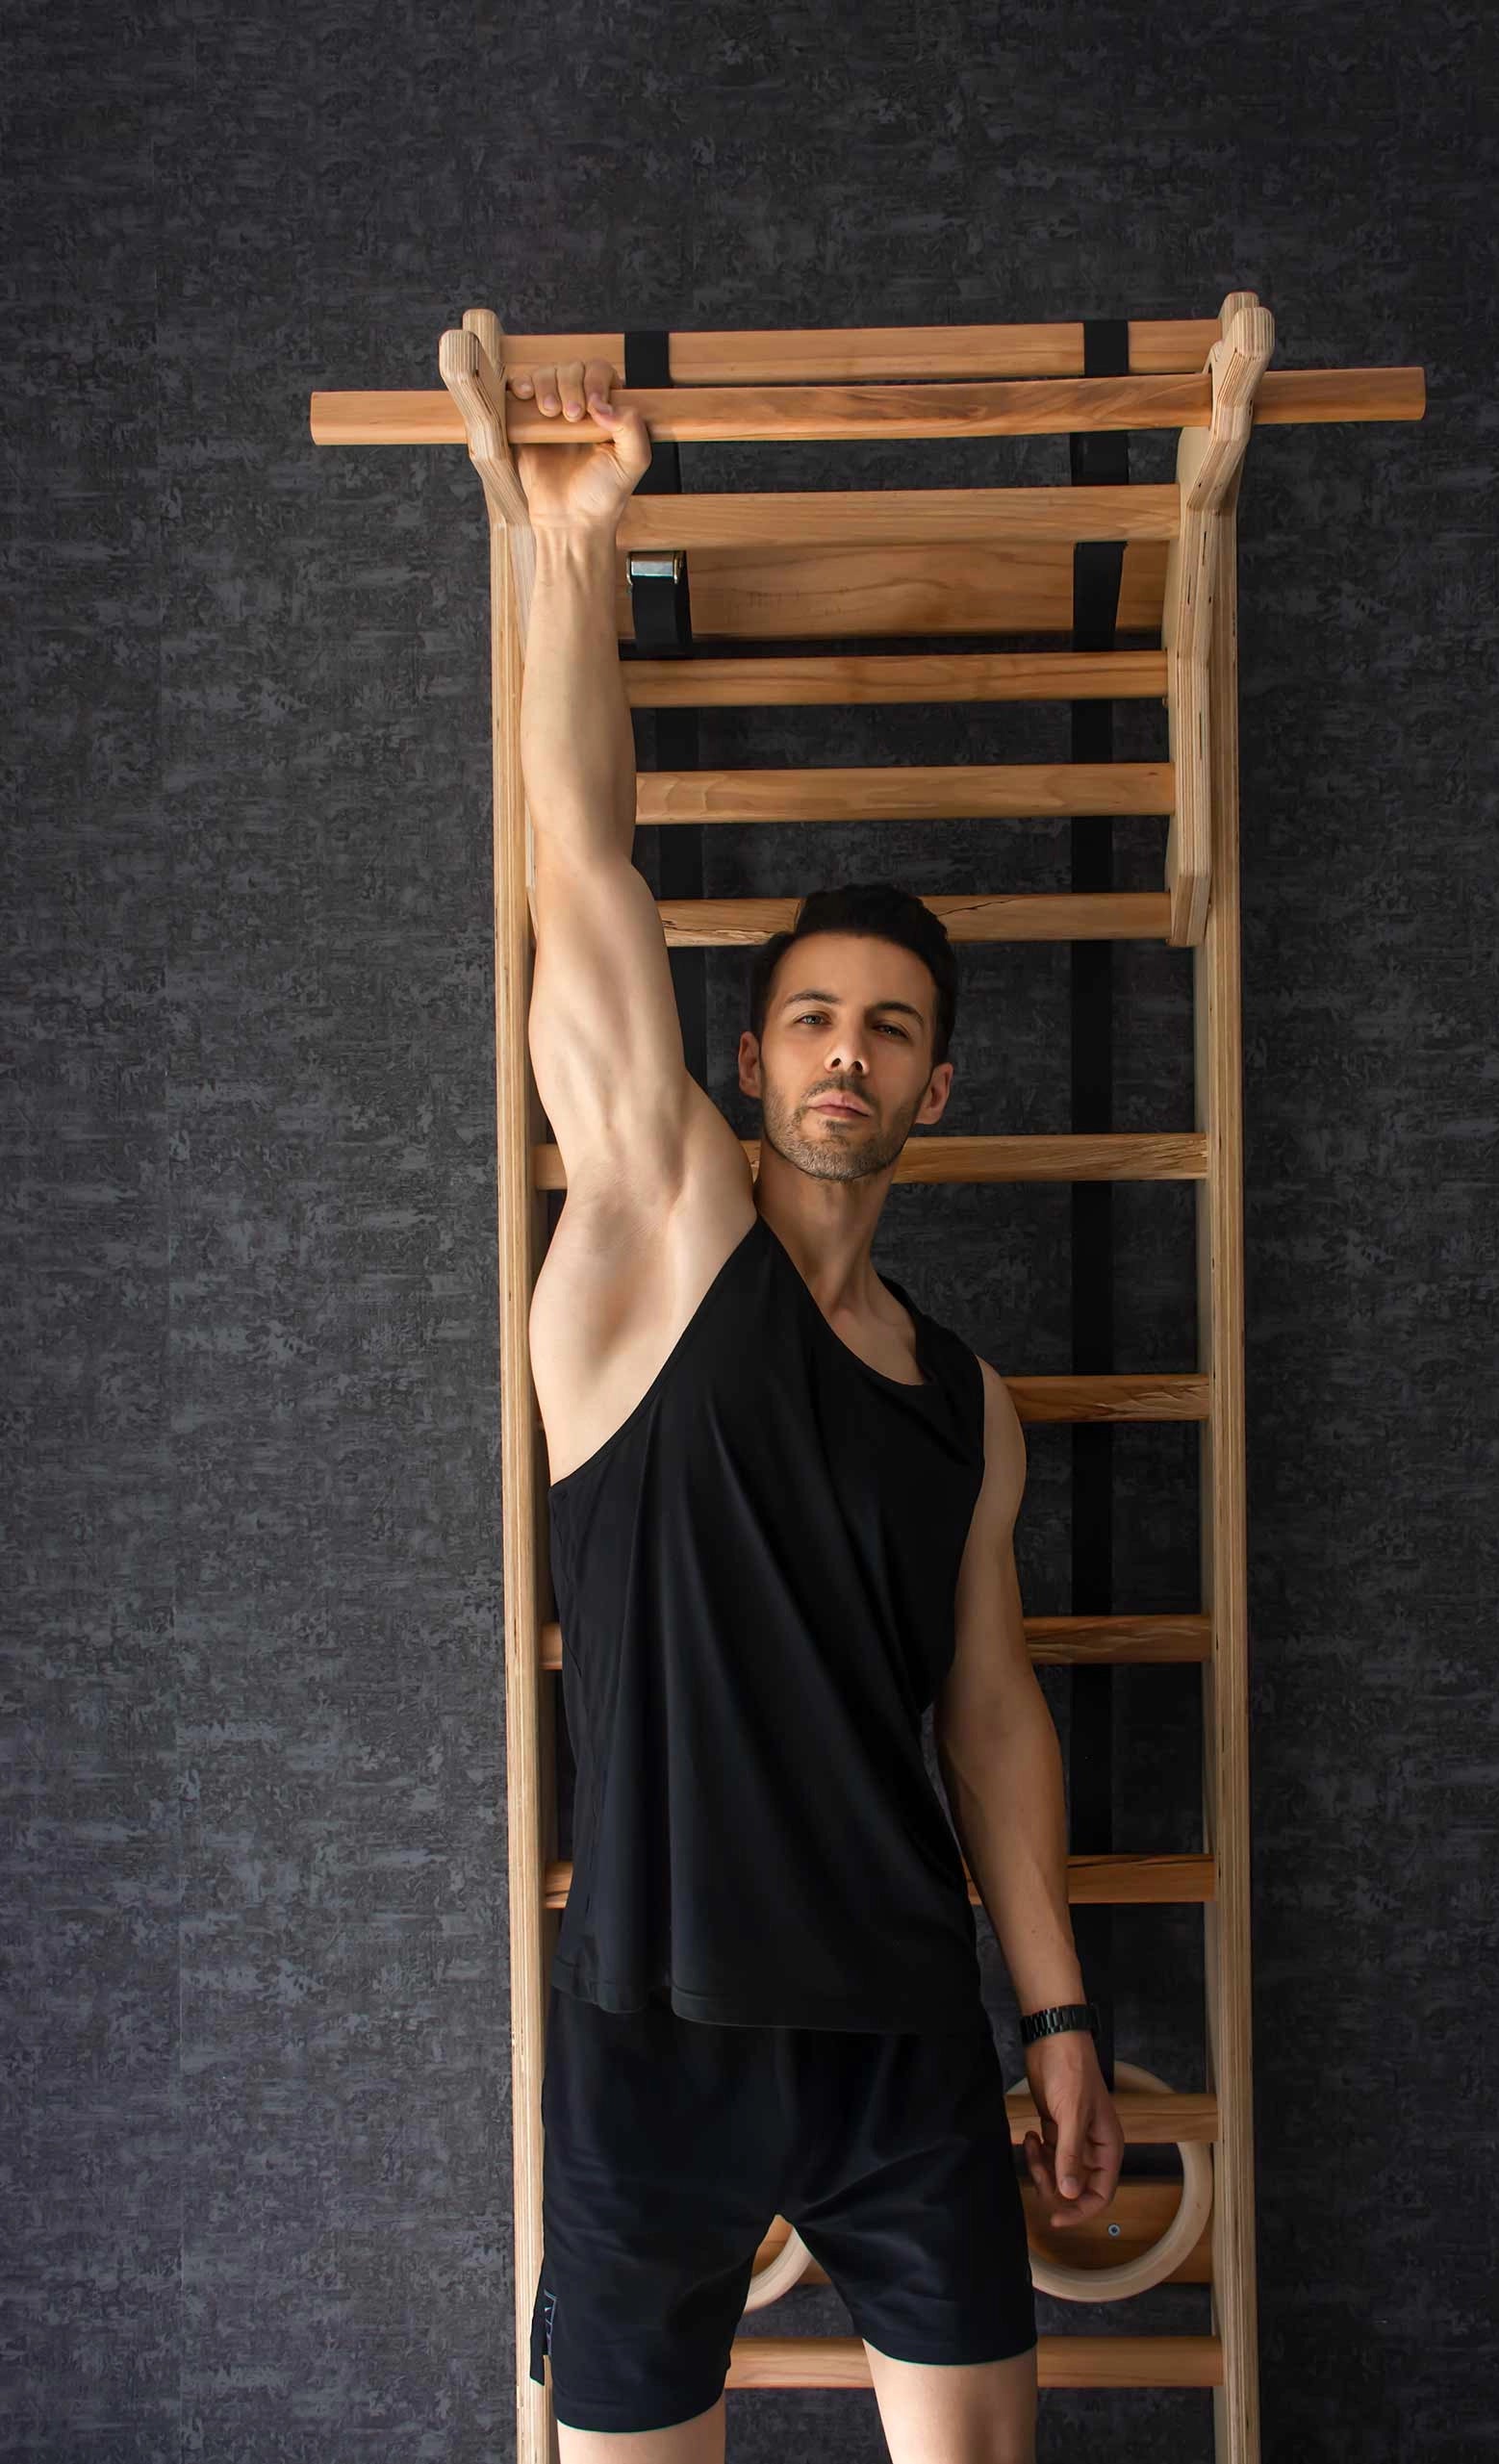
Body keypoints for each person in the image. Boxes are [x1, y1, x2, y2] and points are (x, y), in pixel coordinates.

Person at [514, 356, 1124, 2460]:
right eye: (808, 1021)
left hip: (903, 2036)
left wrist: (1054, 2012)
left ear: (937, 1083)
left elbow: (991, 1713)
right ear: (751, 1062)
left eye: (887, 1029)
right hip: (653, 2037)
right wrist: (572, 539)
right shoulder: (658, 1236)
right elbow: (582, 858)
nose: (845, 1053)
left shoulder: (967, 1402)